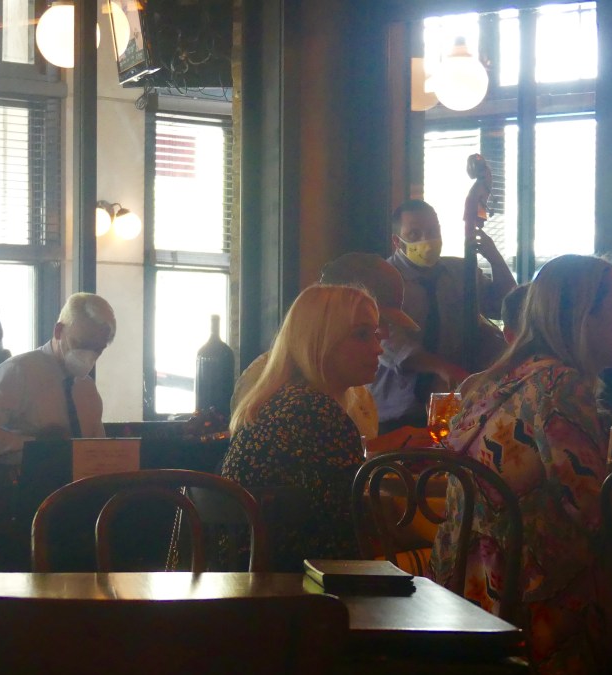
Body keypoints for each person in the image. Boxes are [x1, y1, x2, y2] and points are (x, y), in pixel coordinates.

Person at [428, 255, 612, 675]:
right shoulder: (562, 384)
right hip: (524, 617)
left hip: (461, 598)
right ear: (580, 317)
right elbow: (592, 510)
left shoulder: (498, 380)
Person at [221, 284, 384, 572]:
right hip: (293, 586)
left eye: (376, 334)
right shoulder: (317, 413)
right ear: (320, 341)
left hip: (238, 582)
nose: (377, 348)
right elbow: (350, 535)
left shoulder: (275, 401)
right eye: (361, 335)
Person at [230, 252, 420, 443]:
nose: (383, 336)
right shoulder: (273, 386)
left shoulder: (355, 390)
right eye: (362, 332)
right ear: (326, 319)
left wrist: (395, 444)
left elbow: (344, 454)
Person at [372, 199, 516, 433]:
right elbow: (394, 347)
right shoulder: (381, 280)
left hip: (453, 409)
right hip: (396, 411)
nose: (426, 239)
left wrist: (494, 257)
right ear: (397, 241)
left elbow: (506, 307)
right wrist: (446, 369)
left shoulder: (462, 272)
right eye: (414, 234)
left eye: (432, 231)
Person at [0, 292, 116, 464]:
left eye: (98, 349)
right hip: (23, 479)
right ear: (59, 331)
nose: (88, 356)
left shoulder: (88, 389)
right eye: (81, 344)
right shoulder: (18, 372)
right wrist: (36, 447)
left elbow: (97, 453)